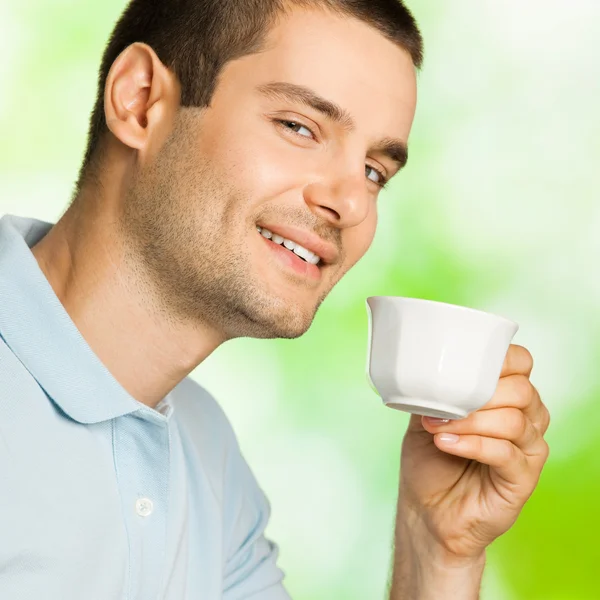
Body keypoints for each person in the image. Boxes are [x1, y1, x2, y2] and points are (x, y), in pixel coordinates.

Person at [0, 0, 550, 598]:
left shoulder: (207, 462)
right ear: (139, 102)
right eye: (299, 127)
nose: (354, 205)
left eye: (373, 171)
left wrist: (437, 547)